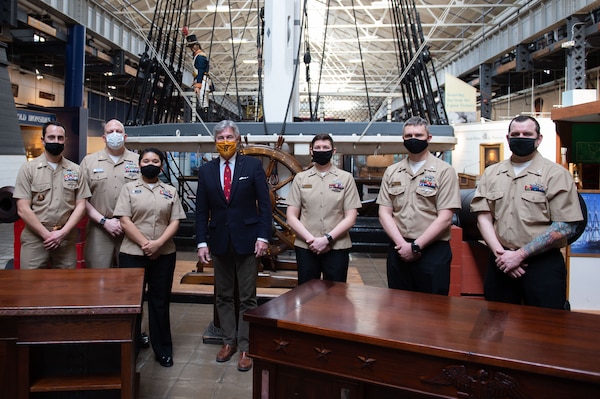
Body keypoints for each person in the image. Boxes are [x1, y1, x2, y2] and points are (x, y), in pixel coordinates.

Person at [470, 115, 583, 310]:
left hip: (542, 265)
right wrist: (503, 255)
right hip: (501, 262)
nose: (520, 137)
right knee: (496, 328)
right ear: (508, 138)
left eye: (527, 134)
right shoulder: (492, 173)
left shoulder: (555, 174)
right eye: (515, 134)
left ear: (538, 139)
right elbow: (483, 217)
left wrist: (520, 255)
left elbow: (565, 226)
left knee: (544, 330)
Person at [195, 120, 271, 372]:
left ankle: (246, 346)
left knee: (248, 298)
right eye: (220, 138)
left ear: (237, 140)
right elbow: (201, 211)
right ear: (215, 141)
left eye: (229, 137)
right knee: (224, 295)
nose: (225, 141)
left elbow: (265, 205)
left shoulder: (253, 166)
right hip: (218, 242)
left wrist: (263, 237)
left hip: (248, 241)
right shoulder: (206, 171)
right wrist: (202, 241)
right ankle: (228, 341)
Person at [114, 148, 186, 367]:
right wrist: (146, 244)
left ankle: (162, 349)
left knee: (160, 302)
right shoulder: (129, 188)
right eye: (146, 160)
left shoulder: (170, 191)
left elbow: (175, 221)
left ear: (162, 166)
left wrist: (158, 244)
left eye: (155, 161)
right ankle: (131, 347)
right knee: (132, 304)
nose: (151, 164)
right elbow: (124, 220)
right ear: (139, 164)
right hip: (132, 254)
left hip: (164, 254)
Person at [376, 116, 461, 295]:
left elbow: (445, 218)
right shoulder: (392, 172)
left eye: (418, 135)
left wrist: (415, 247)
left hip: (432, 252)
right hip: (399, 250)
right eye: (409, 135)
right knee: (398, 307)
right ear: (403, 139)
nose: (413, 139)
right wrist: (403, 245)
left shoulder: (444, 171)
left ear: (429, 138)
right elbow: (384, 212)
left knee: (433, 311)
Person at [286, 133, 362, 285]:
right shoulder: (301, 179)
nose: (321, 150)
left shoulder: (345, 178)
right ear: (311, 151)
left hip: (337, 247)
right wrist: (312, 240)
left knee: (336, 295)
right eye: (318, 148)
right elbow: (291, 216)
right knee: (306, 294)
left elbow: (351, 217)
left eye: (325, 147)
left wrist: (327, 239)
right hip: (307, 247)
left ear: (333, 151)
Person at [13, 121, 91, 269]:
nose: (56, 141)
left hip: (66, 239)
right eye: (52, 137)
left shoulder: (75, 170)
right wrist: (47, 235)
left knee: (65, 286)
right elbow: (23, 208)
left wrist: (62, 233)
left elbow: (81, 205)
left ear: (65, 141)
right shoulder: (28, 169)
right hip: (35, 238)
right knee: (31, 285)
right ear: (43, 140)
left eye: (60, 138)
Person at [80, 119, 140, 269]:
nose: (114, 135)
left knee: (130, 277)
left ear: (125, 137)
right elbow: (81, 198)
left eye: (118, 132)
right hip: (99, 228)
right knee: (97, 278)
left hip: (132, 229)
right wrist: (104, 221)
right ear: (104, 137)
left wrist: (124, 222)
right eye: (110, 132)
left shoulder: (138, 162)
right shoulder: (89, 162)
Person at [186, 33, 210, 106]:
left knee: (203, 102)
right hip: (201, 81)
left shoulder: (200, 57)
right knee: (202, 102)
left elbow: (201, 71)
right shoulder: (198, 56)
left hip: (202, 82)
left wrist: (198, 85)